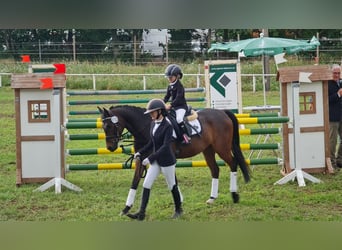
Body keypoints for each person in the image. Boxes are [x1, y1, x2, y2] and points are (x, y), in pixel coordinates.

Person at [126, 98, 183, 221]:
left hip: (167, 161)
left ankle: (179, 209)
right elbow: (151, 142)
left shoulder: (167, 126)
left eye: (153, 112)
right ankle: (141, 213)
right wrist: (139, 152)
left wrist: (150, 158)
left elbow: (166, 146)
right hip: (156, 161)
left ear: (160, 112)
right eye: (150, 113)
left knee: (172, 185)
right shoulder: (153, 123)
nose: (151, 115)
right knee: (146, 184)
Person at [163, 64, 191, 144]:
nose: (169, 79)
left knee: (179, 119)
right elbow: (167, 96)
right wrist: (161, 103)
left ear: (177, 76)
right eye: (168, 77)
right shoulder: (170, 86)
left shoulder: (180, 86)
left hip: (181, 107)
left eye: (171, 77)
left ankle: (186, 136)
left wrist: (170, 105)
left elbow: (178, 98)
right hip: (174, 107)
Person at [328, 64, 342, 170]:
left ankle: (339, 160)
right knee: (332, 141)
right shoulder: (327, 84)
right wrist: (338, 94)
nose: (337, 75)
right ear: (331, 73)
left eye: (338, 73)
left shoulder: (341, 82)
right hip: (332, 117)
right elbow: (326, 100)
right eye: (335, 73)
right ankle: (331, 162)